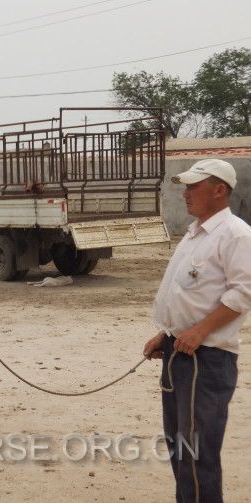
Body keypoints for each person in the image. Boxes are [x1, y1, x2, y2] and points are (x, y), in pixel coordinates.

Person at [143, 159, 251, 502]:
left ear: (219, 190)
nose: (185, 193)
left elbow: (243, 292)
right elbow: (188, 292)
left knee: (197, 453)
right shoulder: (193, 233)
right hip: (180, 351)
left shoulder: (235, 234)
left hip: (207, 359)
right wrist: (169, 334)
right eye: (186, 187)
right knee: (179, 446)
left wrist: (200, 331)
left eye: (194, 186)